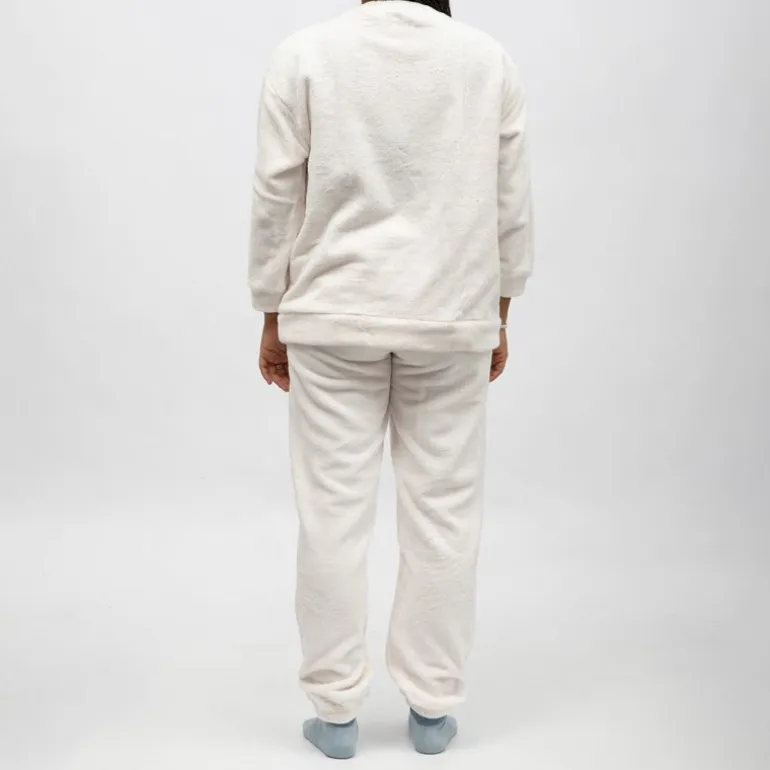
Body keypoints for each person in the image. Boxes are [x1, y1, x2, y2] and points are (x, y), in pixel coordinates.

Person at [248, 0, 533, 759]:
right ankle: (433, 709)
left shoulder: (306, 54)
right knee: (444, 513)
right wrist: (499, 311)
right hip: (451, 315)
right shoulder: (487, 60)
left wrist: (271, 309)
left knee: (332, 516)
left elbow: (276, 193)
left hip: (332, 313)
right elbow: (511, 202)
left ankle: (336, 712)